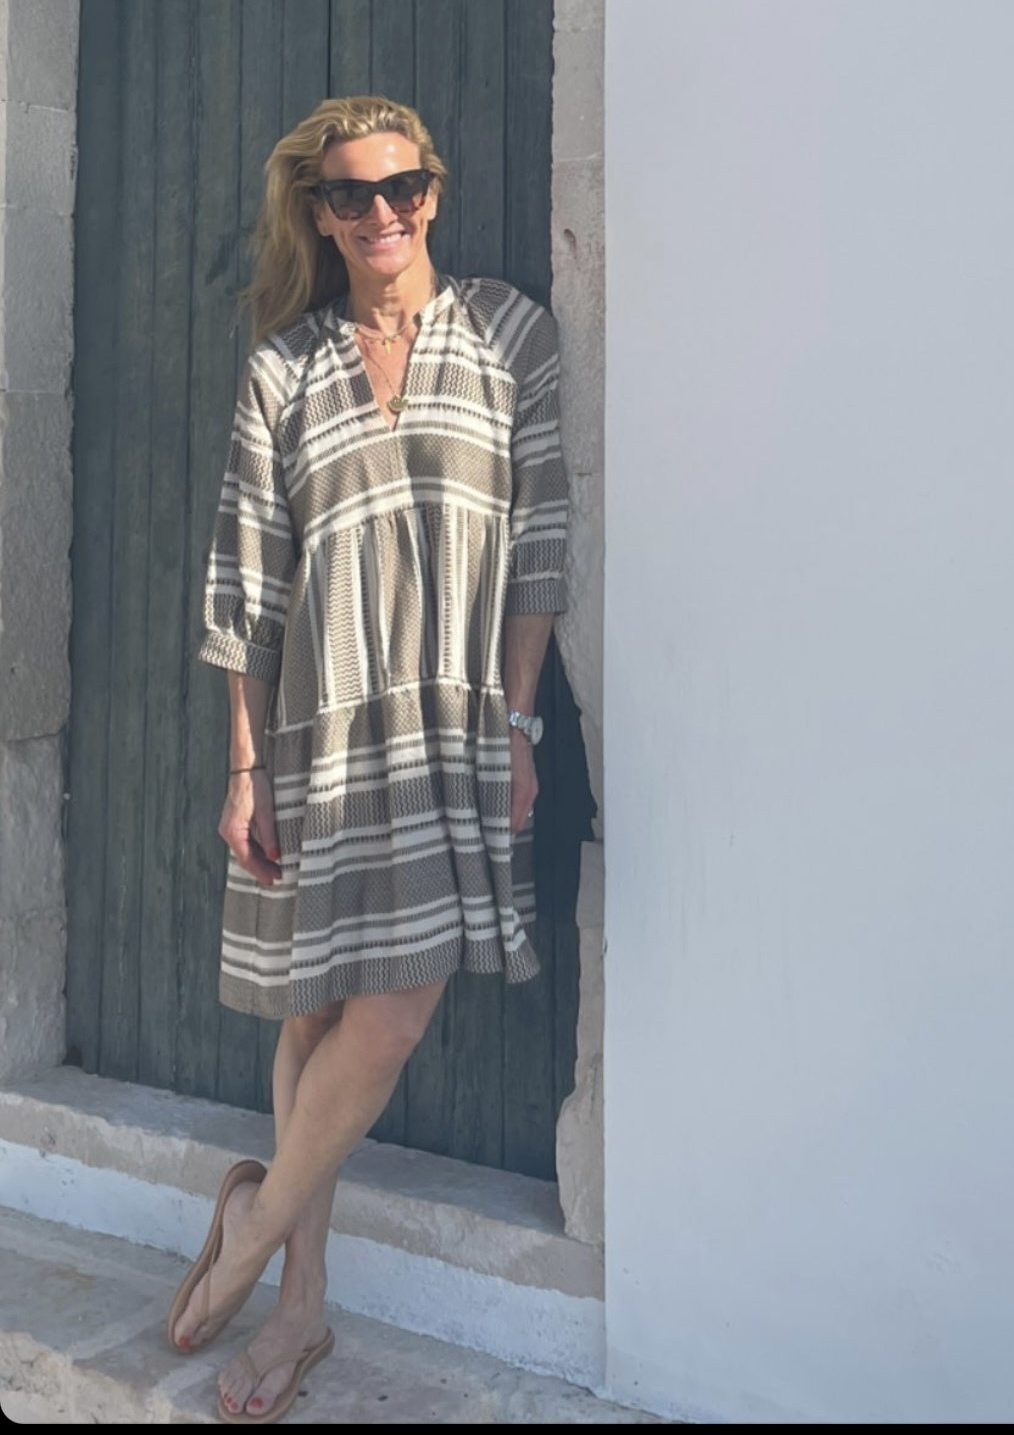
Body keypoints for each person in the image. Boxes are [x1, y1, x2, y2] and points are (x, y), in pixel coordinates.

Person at [166, 95, 568, 1423]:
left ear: (432, 193)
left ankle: (247, 1233)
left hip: (456, 729)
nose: (381, 212)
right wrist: (244, 769)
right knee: (316, 1012)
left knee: (388, 1016)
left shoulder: (508, 333)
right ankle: (301, 1307)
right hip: (320, 729)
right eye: (352, 194)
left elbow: (541, 544)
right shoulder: (286, 368)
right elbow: (247, 581)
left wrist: (518, 723)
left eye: (402, 187)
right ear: (321, 214)